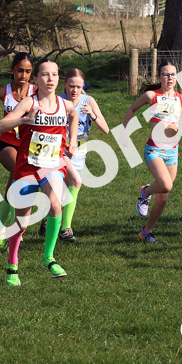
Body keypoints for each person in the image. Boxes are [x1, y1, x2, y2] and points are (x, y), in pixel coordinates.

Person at [0, 59, 79, 285]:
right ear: (37, 79)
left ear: (59, 79)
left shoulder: (65, 104)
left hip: (53, 166)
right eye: (45, 74)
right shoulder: (29, 103)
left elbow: (74, 115)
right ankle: (12, 264)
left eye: (54, 74)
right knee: (21, 223)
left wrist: (73, 140)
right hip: (27, 168)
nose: (50, 79)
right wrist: (24, 119)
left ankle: (49, 258)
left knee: (55, 204)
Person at [126, 61, 182, 243]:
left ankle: (146, 232)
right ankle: (145, 191)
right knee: (166, 185)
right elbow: (132, 108)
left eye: (173, 74)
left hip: (172, 152)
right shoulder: (152, 95)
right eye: (166, 74)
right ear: (159, 77)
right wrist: (125, 131)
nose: (170, 78)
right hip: (154, 150)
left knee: (163, 198)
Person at [0, 52, 36, 248]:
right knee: (19, 176)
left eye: (28, 71)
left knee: (14, 183)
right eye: (20, 70)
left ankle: (0, 226)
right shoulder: (3, 91)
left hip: (28, 146)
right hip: (7, 144)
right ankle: (15, 230)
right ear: (12, 70)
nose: (23, 75)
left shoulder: (36, 91)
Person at [58, 68, 110, 242]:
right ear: (64, 84)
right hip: (60, 150)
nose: (74, 90)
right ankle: (66, 228)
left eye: (78, 87)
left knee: (64, 191)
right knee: (75, 182)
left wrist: (92, 115)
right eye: (71, 86)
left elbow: (106, 129)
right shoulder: (58, 101)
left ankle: (49, 219)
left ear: (83, 86)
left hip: (80, 151)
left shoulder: (88, 101)